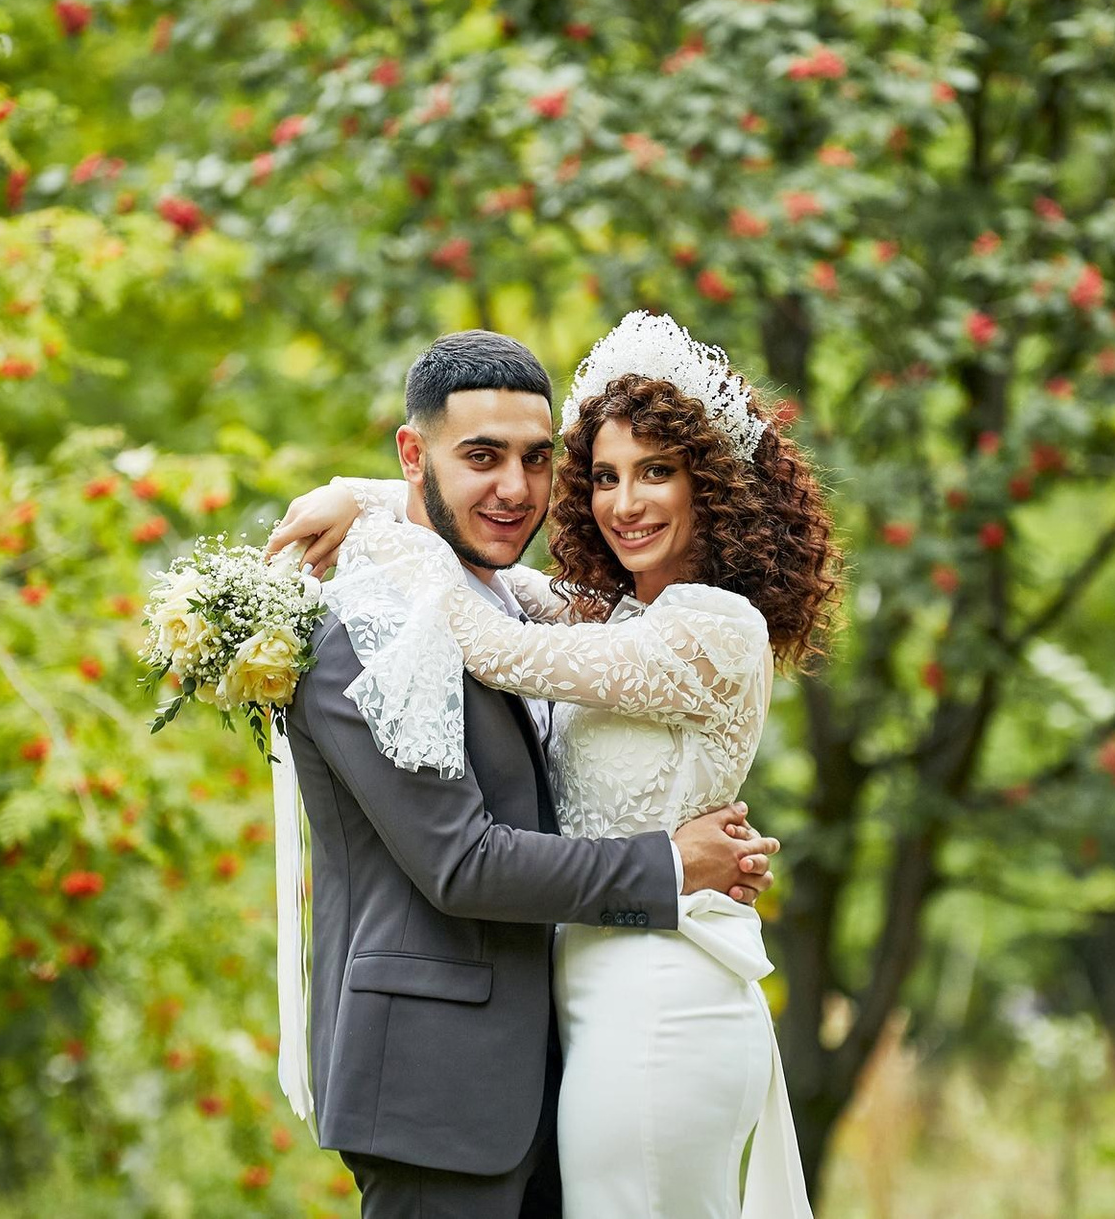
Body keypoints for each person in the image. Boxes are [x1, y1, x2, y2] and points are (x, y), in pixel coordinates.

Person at [271, 311, 839, 1217]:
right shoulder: (607, 616)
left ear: (712, 484)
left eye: (657, 472)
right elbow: (498, 585)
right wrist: (373, 498)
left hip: (659, 1003)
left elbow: (494, 639)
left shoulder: (710, 628)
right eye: (605, 476)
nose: (626, 503)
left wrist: (385, 520)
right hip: (566, 1023)